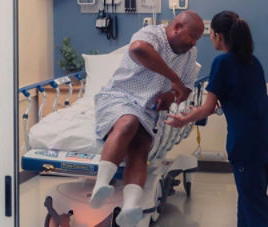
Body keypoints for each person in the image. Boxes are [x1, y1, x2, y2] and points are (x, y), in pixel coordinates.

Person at [90, 10, 204, 227]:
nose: (194, 42)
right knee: (128, 123)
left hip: (150, 108)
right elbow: (138, 50)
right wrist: (174, 79)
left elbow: (186, 89)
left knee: (141, 146)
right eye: (193, 36)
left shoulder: (191, 54)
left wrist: (171, 95)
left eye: (198, 38)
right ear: (177, 27)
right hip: (119, 96)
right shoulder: (151, 34)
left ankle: (130, 207)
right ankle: (101, 185)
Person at [165, 11, 268, 227]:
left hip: (245, 143)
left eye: (209, 34)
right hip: (266, 140)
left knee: (255, 209)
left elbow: (207, 108)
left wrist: (183, 119)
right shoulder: (254, 62)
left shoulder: (223, 62)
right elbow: (246, 99)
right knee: (249, 202)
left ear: (217, 35)